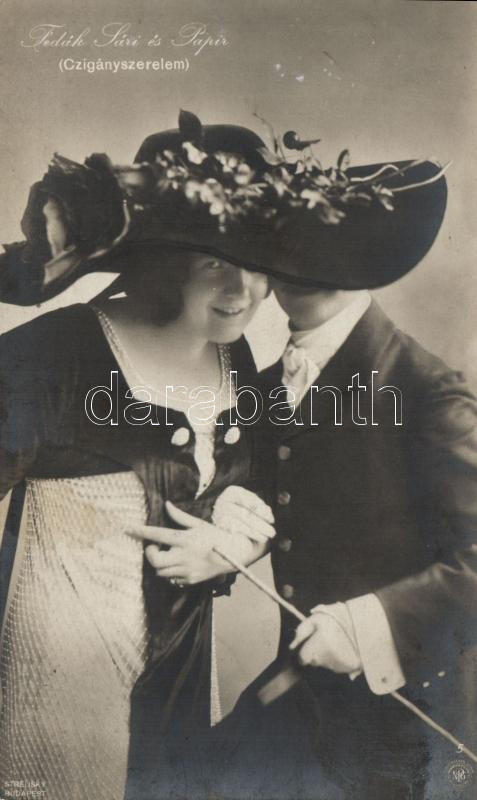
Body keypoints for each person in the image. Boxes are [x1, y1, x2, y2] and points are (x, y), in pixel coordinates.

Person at [173, 152, 477, 798]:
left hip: (406, 723)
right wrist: (231, 521)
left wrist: (369, 625)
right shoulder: (265, 384)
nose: (302, 268)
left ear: (368, 259)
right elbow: (267, 492)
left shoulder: (425, 390)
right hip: (302, 699)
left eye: (326, 250)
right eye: (290, 248)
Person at [0, 113, 277, 800]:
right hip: (54, 684)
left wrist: (231, 548)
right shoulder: (55, 352)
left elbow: (258, 487)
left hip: (179, 682)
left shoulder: (235, 357)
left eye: (256, 262)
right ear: (165, 256)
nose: (240, 291)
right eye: (214, 262)